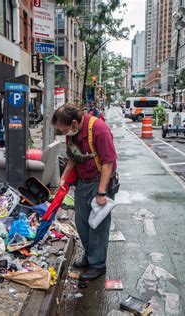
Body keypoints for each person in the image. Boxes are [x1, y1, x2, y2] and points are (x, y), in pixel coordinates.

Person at [52, 104, 118, 281]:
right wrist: (64, 178)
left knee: (97, 226)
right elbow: (73, 158)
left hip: (100, 181)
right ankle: (90, 256)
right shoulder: (72, 134)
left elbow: (108, 162)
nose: (63, 133)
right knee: (82, 223)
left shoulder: (99, 129)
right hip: (82, 181)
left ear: (74, 123)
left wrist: (102, 193)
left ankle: (98, 265)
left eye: (64, 129)